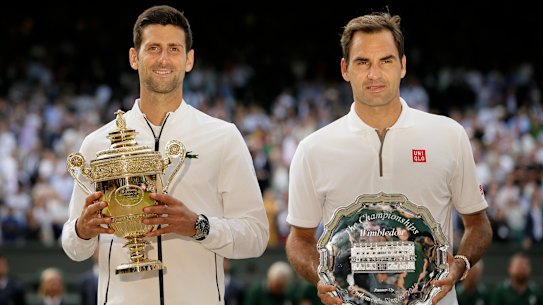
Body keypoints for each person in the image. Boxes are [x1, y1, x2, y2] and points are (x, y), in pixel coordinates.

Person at [61, 5, 269, 305]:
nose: (163, 59)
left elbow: (256, 236)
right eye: (153, 48)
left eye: (174, 49)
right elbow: (73, 247)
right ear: (135, 57)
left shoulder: (223, 136)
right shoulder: (98, 143)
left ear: (189, 60)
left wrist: (198, 226)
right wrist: (82, 230)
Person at [284, 11, 493, 305]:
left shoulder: (449, 135)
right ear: (345, 69)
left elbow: (478, 224)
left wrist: (460, 264)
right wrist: (321, 276)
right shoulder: (313, 149)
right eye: (362, 62)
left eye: (386, 60)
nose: (374, 74)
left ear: (403, 66)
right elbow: (299, 239)